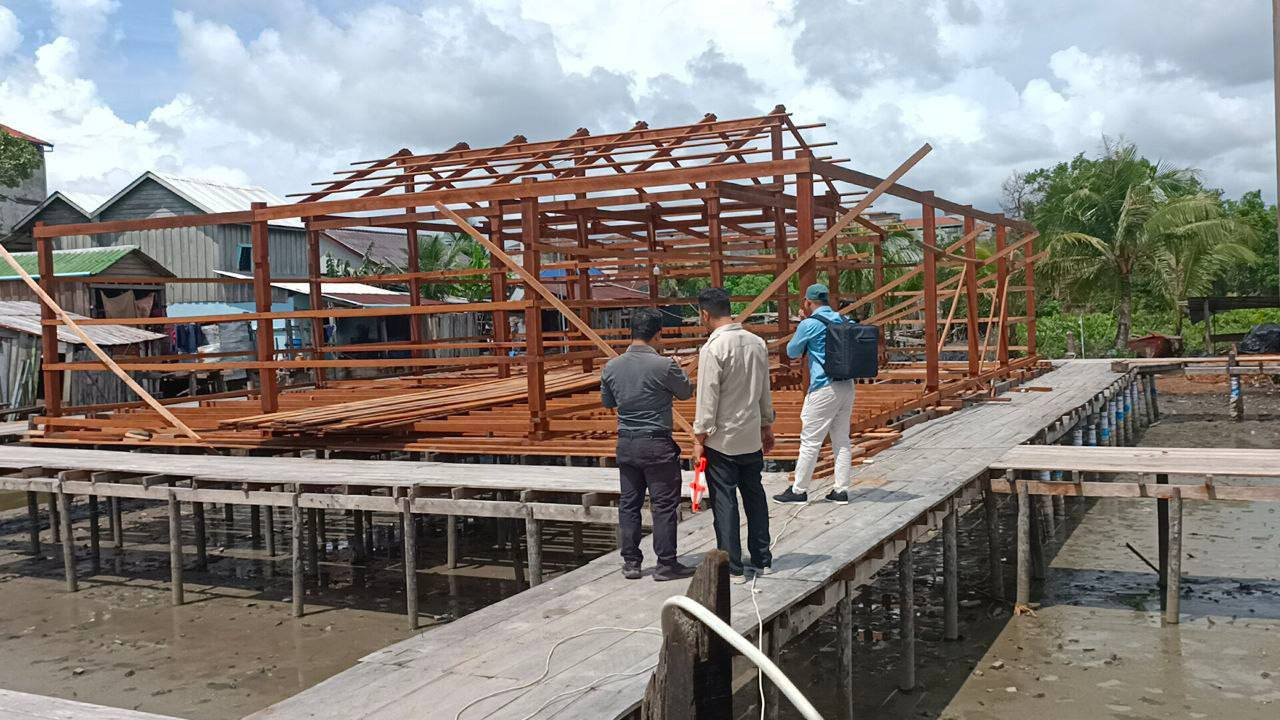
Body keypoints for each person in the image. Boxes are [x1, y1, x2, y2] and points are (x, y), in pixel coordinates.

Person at [600, 307, 696, 581]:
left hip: (626, 442)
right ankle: (666, 564)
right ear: (658, 335)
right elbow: (685, 392)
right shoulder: (664, 365)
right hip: (656, 443)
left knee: (629, 504)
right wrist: (677, 368)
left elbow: (608, 402)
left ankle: (631, 563)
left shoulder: (611, 366)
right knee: (663, 505)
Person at [691, 287, 776, 581]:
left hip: (723, 440)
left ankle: (733, 565)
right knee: (755, 496)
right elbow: (764, 389)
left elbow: (707, 399)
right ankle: (762, 557)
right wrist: (766, 425)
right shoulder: (757, 343)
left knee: (725, 502)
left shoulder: (713, 348)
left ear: (705, 314)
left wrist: (699, 439)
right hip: (750, 435)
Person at [773, 283, 855, 505]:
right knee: (842, 439)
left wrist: (802, 324)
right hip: (847, 385)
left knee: (810, 441)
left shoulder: (809, 324)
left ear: (808, 302)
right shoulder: (845, 320)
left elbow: (792, 351)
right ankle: (841, 490)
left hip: (823, 387)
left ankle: (799, 490)